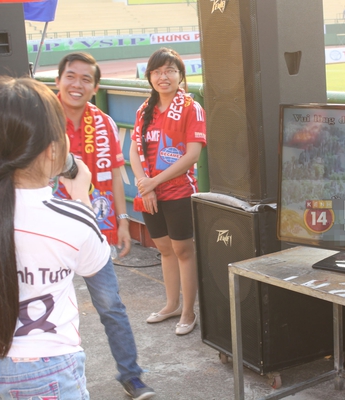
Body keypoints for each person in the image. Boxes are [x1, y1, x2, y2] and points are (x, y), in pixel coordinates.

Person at [0, 77, 108, 398]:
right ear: (53, 150)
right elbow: (95, 262)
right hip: (46, 363)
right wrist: (81, 193)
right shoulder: (72, 218)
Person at [55, 52, 155, 399]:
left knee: (111, 305)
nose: (77, 84)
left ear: (95, 87)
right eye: (71, 76)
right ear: (58, 81)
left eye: (85, 79)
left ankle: (132, 375)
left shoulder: (104, 123)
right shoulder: (42, 119)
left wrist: (124, 222)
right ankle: (58, 380)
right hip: (50, 232)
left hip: (95, 228)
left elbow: (114, 173)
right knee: (50, 307)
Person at [129, 47, 206, 336]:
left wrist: (153, 182)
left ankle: (188, 311)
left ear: (180, 76)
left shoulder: (191, 108)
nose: (164, 77)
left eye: (170, 71)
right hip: (149, 192)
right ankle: (171, 304)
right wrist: (144, 184)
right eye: (158, 71)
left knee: (183, 250)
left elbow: (192, 155)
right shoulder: (143, 110)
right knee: (163, 249)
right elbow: (133, 152)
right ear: (149, 76)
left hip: (179, 192)